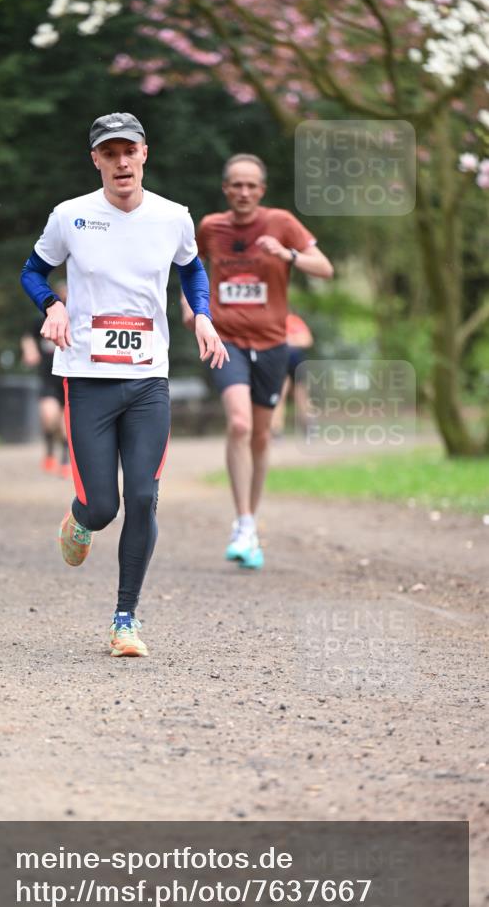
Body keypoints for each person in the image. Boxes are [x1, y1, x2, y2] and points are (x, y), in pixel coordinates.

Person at [21, 112, 227, 658]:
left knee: (143, 497)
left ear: (144, 154)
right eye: (108, 152)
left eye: (128, 151)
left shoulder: (173, 216)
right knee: (103, 506)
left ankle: (124, 620)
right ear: (96, 160)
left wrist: (201, 314)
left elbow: (193, 270)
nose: (120, 162)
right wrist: (53, 304)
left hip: (147, 381)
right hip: (86, 378)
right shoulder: (70, 216)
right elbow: (31, 272)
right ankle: (80, 517)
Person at [183, 154, 333, 569]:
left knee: (262, 437)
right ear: (226, 189)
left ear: (261, 191)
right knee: (240, 423)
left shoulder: (282, 222)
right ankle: (244, 523)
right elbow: (187, 269)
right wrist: (191, 308)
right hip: (226, 339)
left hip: (272, 344)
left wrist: (287, 255)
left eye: (252, 186)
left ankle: (250, 518)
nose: (244, 192)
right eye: (237, 185)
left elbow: (325, 268)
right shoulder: (211, 227)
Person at [20, 280, 71, 478]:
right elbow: (28, 336)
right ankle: (50, 448)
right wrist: (29, 349)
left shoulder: (81, 318)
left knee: (66, 424)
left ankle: (65, 461)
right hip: (49, 377)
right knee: (49, 417)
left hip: (71, 378)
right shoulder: (43, 318)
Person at [271, 313, 314, 436]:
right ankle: (276, 429)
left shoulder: (293, 320)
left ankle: (309, 427)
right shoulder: (273, 320)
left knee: (302, 396)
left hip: (296, 362)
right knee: (279, 396)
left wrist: (287, 340)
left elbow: (307, 340)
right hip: (280, 362)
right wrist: (293, 339)